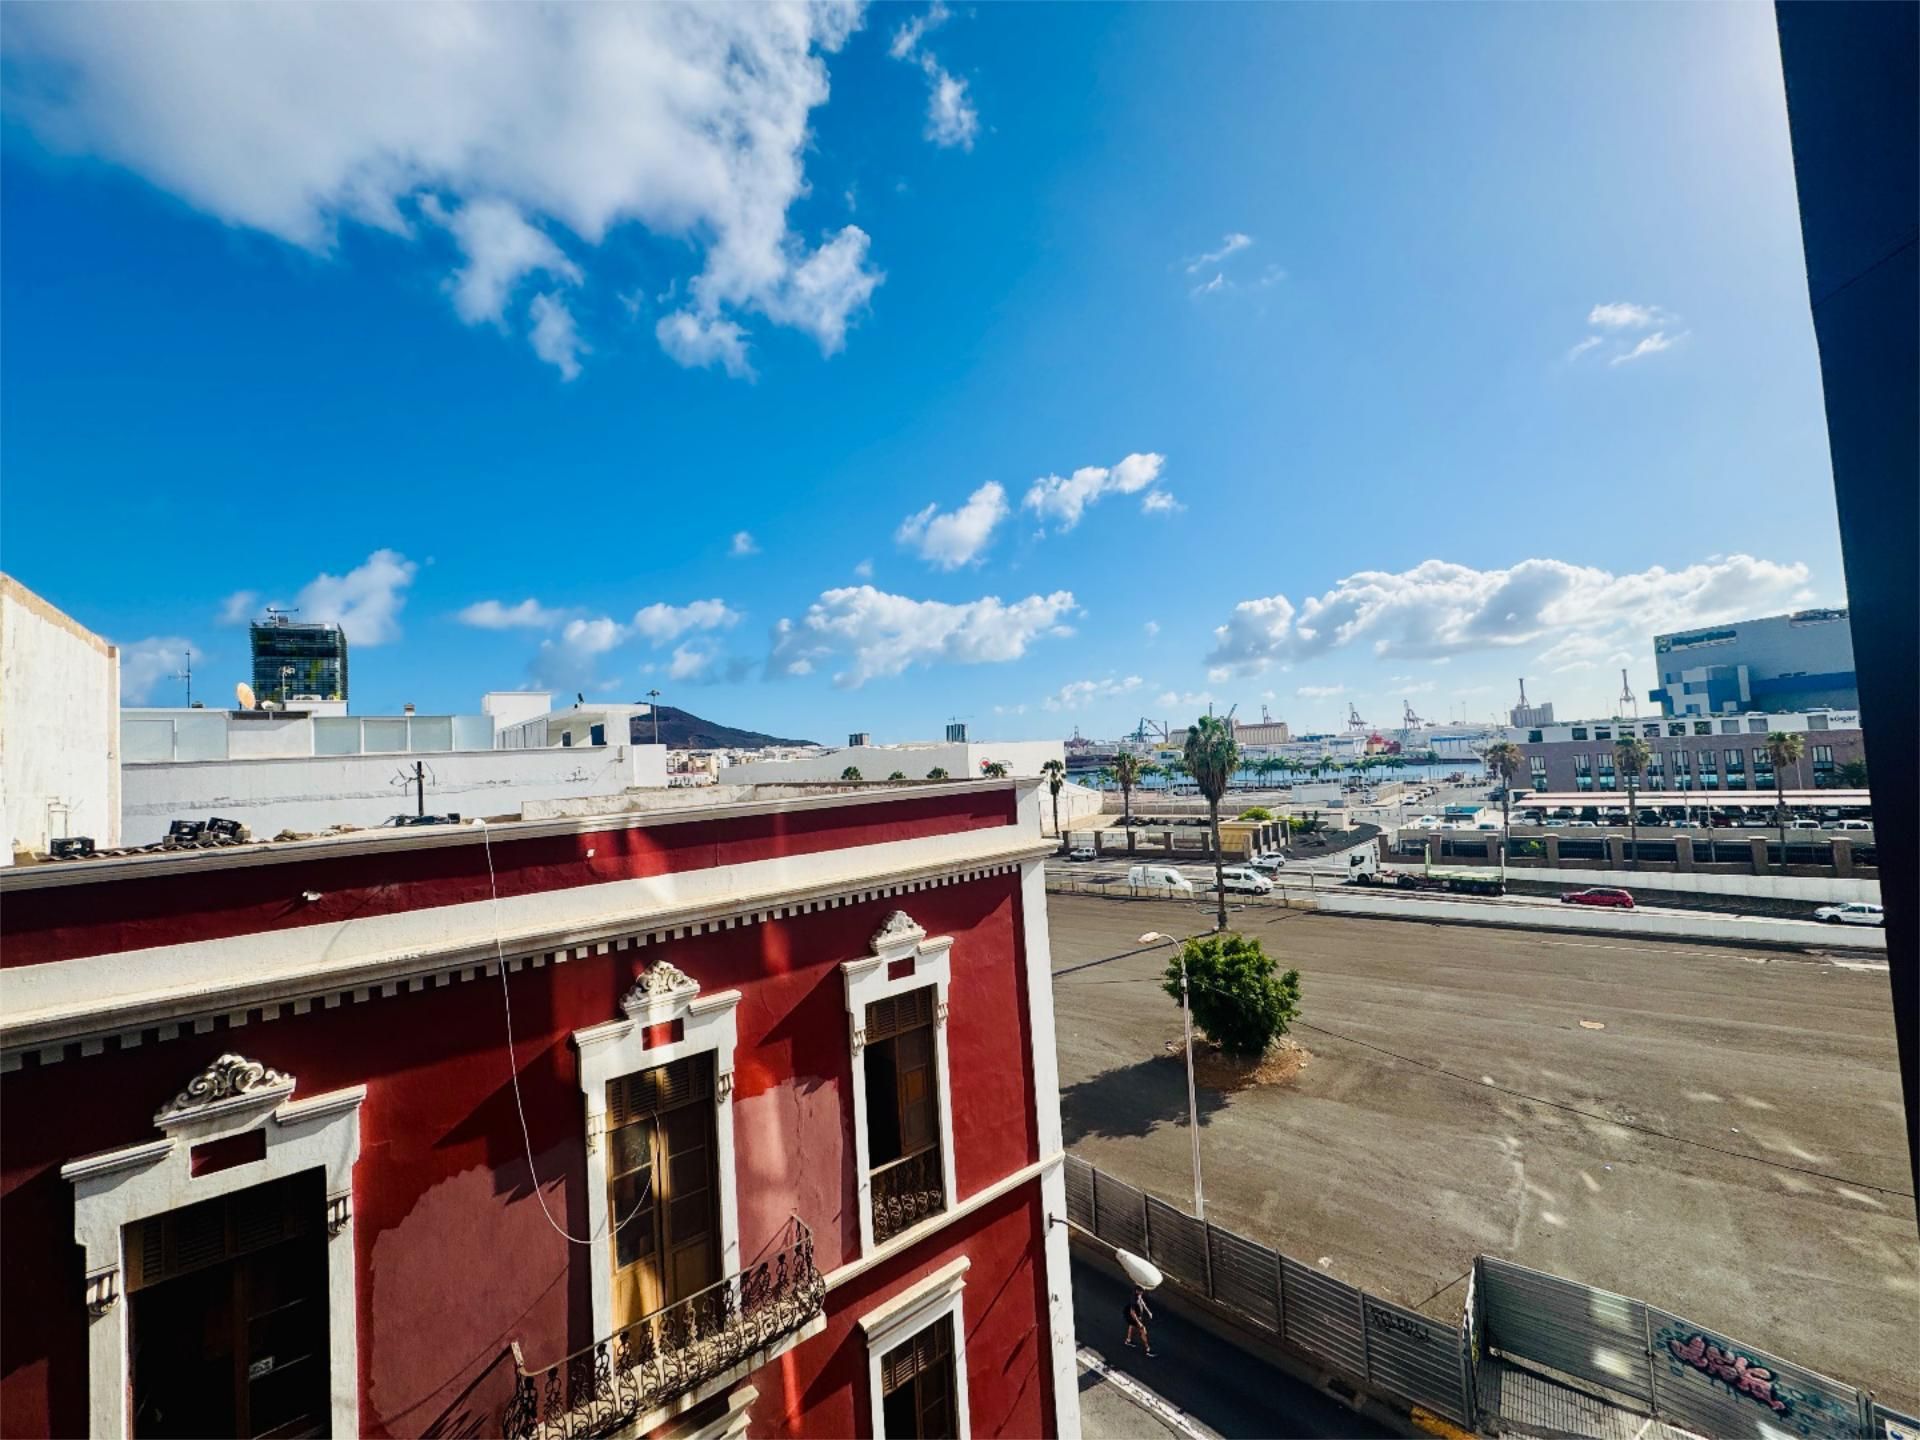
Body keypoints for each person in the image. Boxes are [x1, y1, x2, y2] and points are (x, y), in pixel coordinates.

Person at [1123, 1284, 1155, 1356]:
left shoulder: (1138, 1295)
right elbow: (1132, 1312)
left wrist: (1148, 1311)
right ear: (1137, 1291)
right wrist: (1138, 1322)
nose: (1143, 1292)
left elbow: (1142, 1302)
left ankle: (1128, 1341)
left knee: (1131, 1326)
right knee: (1143, 1330)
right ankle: (1148, 1349)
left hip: (1136, 1316)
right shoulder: (1134, 1299)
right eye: (1142, 1291)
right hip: (1134, 1317)